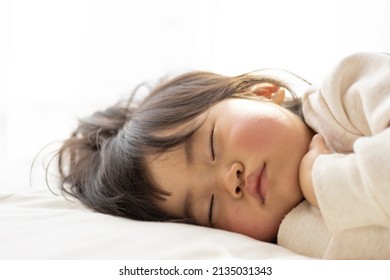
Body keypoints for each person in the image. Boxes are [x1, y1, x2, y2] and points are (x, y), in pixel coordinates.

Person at [53, 52, 390, 258]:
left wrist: (320, 179)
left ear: (262, 92)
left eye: (212, 144)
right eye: (210, 206)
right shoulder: (293, 235)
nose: (231, 181)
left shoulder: (347, 89)